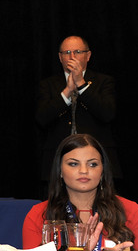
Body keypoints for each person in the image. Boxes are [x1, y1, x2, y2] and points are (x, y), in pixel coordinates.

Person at [23, 133, 138, 251]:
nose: (84, 170)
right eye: (74, 164)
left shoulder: (133, 212)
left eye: (93, 164)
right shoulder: (39, 214)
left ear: (102, 171)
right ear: (60, 171)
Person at [36, 36, 118, 180]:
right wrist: (67, 91)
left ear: (88, 56)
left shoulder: (103, 81)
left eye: (78, 52)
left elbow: (107, 114)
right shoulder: (48, 84)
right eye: (67, 52)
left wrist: (81, 83)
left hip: (95, 157)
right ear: (60, 58)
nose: (72, 56)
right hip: (58, 159)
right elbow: (42, 118)